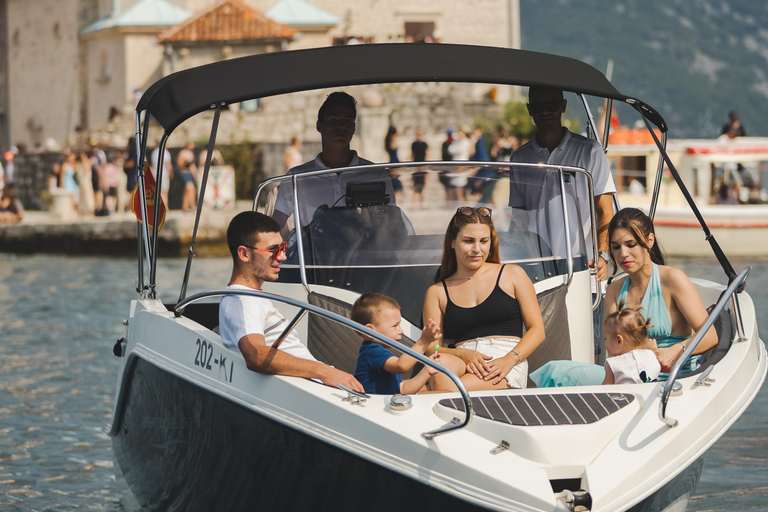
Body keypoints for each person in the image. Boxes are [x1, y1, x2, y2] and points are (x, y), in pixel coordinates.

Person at [510, 86, 616, 354]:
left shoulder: (589, 151)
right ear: (530, 111)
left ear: (563, 106)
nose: (545, 112)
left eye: (551, 106)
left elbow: (606, 211)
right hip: (535, 271)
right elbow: (518, 221)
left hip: (583, 269)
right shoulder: (519, 158)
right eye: (538, 107)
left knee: (587, 346)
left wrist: (603, 255)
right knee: (541, 348)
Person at [219, 211, 364, 392]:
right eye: (273, 250)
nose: (282, 257)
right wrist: (324, 371)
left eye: (283, 247)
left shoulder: (249, 298)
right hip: (315, 392)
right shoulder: (243, 301)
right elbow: (255, 356)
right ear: (244, 254)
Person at [422, 206, 545, 390]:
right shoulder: (437, 291)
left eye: (484, 241)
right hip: (461, 359)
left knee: (444, 390)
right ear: (452, 242)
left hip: (504, 358)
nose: (477, 249)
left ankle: (410, 395)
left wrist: (509, 359)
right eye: (468, 241)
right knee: (438, 368)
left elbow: (537, 330)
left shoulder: (512, 274)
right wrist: (462, 353)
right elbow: (433, 348)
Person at [605, 208, 718, 375]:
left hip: (674, 381)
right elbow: (612, 351)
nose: (623, 254)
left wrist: (677, 349)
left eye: (631, 245)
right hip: (629, 380)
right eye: (616, 247)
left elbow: (710, 335)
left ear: (650, 240)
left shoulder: (673, 279)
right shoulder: (614, 290)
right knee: (556, 370)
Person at [272, 92, 394, 229]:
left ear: (353, 127)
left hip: (365, 250)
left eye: (347, 121)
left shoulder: (375, 175)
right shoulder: (296, 178)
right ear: (319, 126)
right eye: (333, 120)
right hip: (313, 250)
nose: (341, 127)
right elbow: (274, 227)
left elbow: (391, 223)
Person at [351, 293, 461, 395]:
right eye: (395, 326)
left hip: (388, 407)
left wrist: (426, 371)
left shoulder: (379, 353)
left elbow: (403, 388)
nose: (401, 331)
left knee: (447, 394)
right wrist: (424, 341)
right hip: (371, 409)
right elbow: (401, 366)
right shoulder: (371, 351)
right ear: (370, 330)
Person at [602, 303, 661, 385]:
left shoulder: (613, 364)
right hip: (649, 395)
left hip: (625, 397)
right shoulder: (652, 355)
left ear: (619, 341)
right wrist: (653, 350)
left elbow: (604, 390)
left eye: (606, 339)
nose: (605, 342)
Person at [410, 127, 429, 209]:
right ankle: (414, 205)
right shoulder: (414, 144)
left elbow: (428, 155)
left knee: (421, 188)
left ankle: (422, 205)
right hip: (416, 168)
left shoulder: (425, 144)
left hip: (423, 168)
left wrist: (426, 167)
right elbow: (411, 155)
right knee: (415, 188)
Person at [177, 142, 198, 212]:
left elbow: (193, 166)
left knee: (190, 190)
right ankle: (192, 206)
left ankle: (187, 206)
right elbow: (179, 164)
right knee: (190, 187)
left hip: (190, 173)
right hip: (184, 172)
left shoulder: (191, 154)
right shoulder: (182, 153)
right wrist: (185, 162)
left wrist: (195, 176)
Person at [384, 125, 403, 202]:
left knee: (396, 184)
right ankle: (396, 203)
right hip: (394, 163)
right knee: (397, 186)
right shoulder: (392, 141)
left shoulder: (388, 142)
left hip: (394, 162)